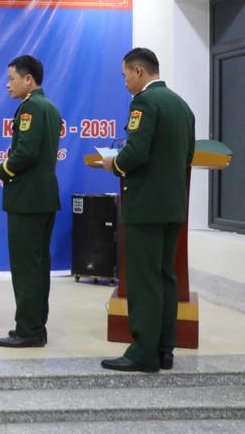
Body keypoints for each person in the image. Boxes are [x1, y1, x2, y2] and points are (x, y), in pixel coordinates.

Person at [100, 48, 195, 373]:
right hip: (172, 206)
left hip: (145, 207)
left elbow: (136, 154)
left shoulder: (144, 102)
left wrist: (114, 163)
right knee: (165, 277)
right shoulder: (182, 106)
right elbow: (186, 158)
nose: (124, 80)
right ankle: (164, 348)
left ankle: (142, 352)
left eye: (125, 73)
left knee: (143, 280)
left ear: (139, 71)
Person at [0, 55, 62, 348]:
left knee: (26, 267)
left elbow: (27, 152)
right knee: (38, 265)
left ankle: (28, 329)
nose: (7, 85)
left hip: (27, 200)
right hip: (43, 198)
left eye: (11, 78)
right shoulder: (50, 107)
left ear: (28, 79)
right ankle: (35, 326)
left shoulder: (30, 107)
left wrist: (0, 171)